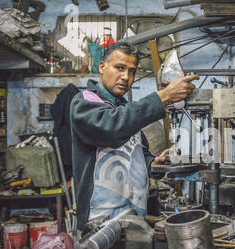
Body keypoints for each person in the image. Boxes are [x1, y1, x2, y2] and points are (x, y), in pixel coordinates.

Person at [70, 42, 198, 230]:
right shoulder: (85, 102)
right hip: (100, 221)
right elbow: (110, 129)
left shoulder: (125, 110)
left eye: (131, 71)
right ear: (102, 67)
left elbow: (137, 153)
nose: (126, 77)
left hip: (135, 217)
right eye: (119, 68)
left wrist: (154, 163)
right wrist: (164, 95)